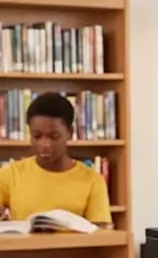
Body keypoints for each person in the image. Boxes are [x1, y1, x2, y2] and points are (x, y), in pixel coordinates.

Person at [0, 92, 111, 226]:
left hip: (76, 247)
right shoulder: (11, 174)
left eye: (54, 136)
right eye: (37, 136)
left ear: (69, 132)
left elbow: (102, 237)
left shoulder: (92, 181)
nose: (45, 144)